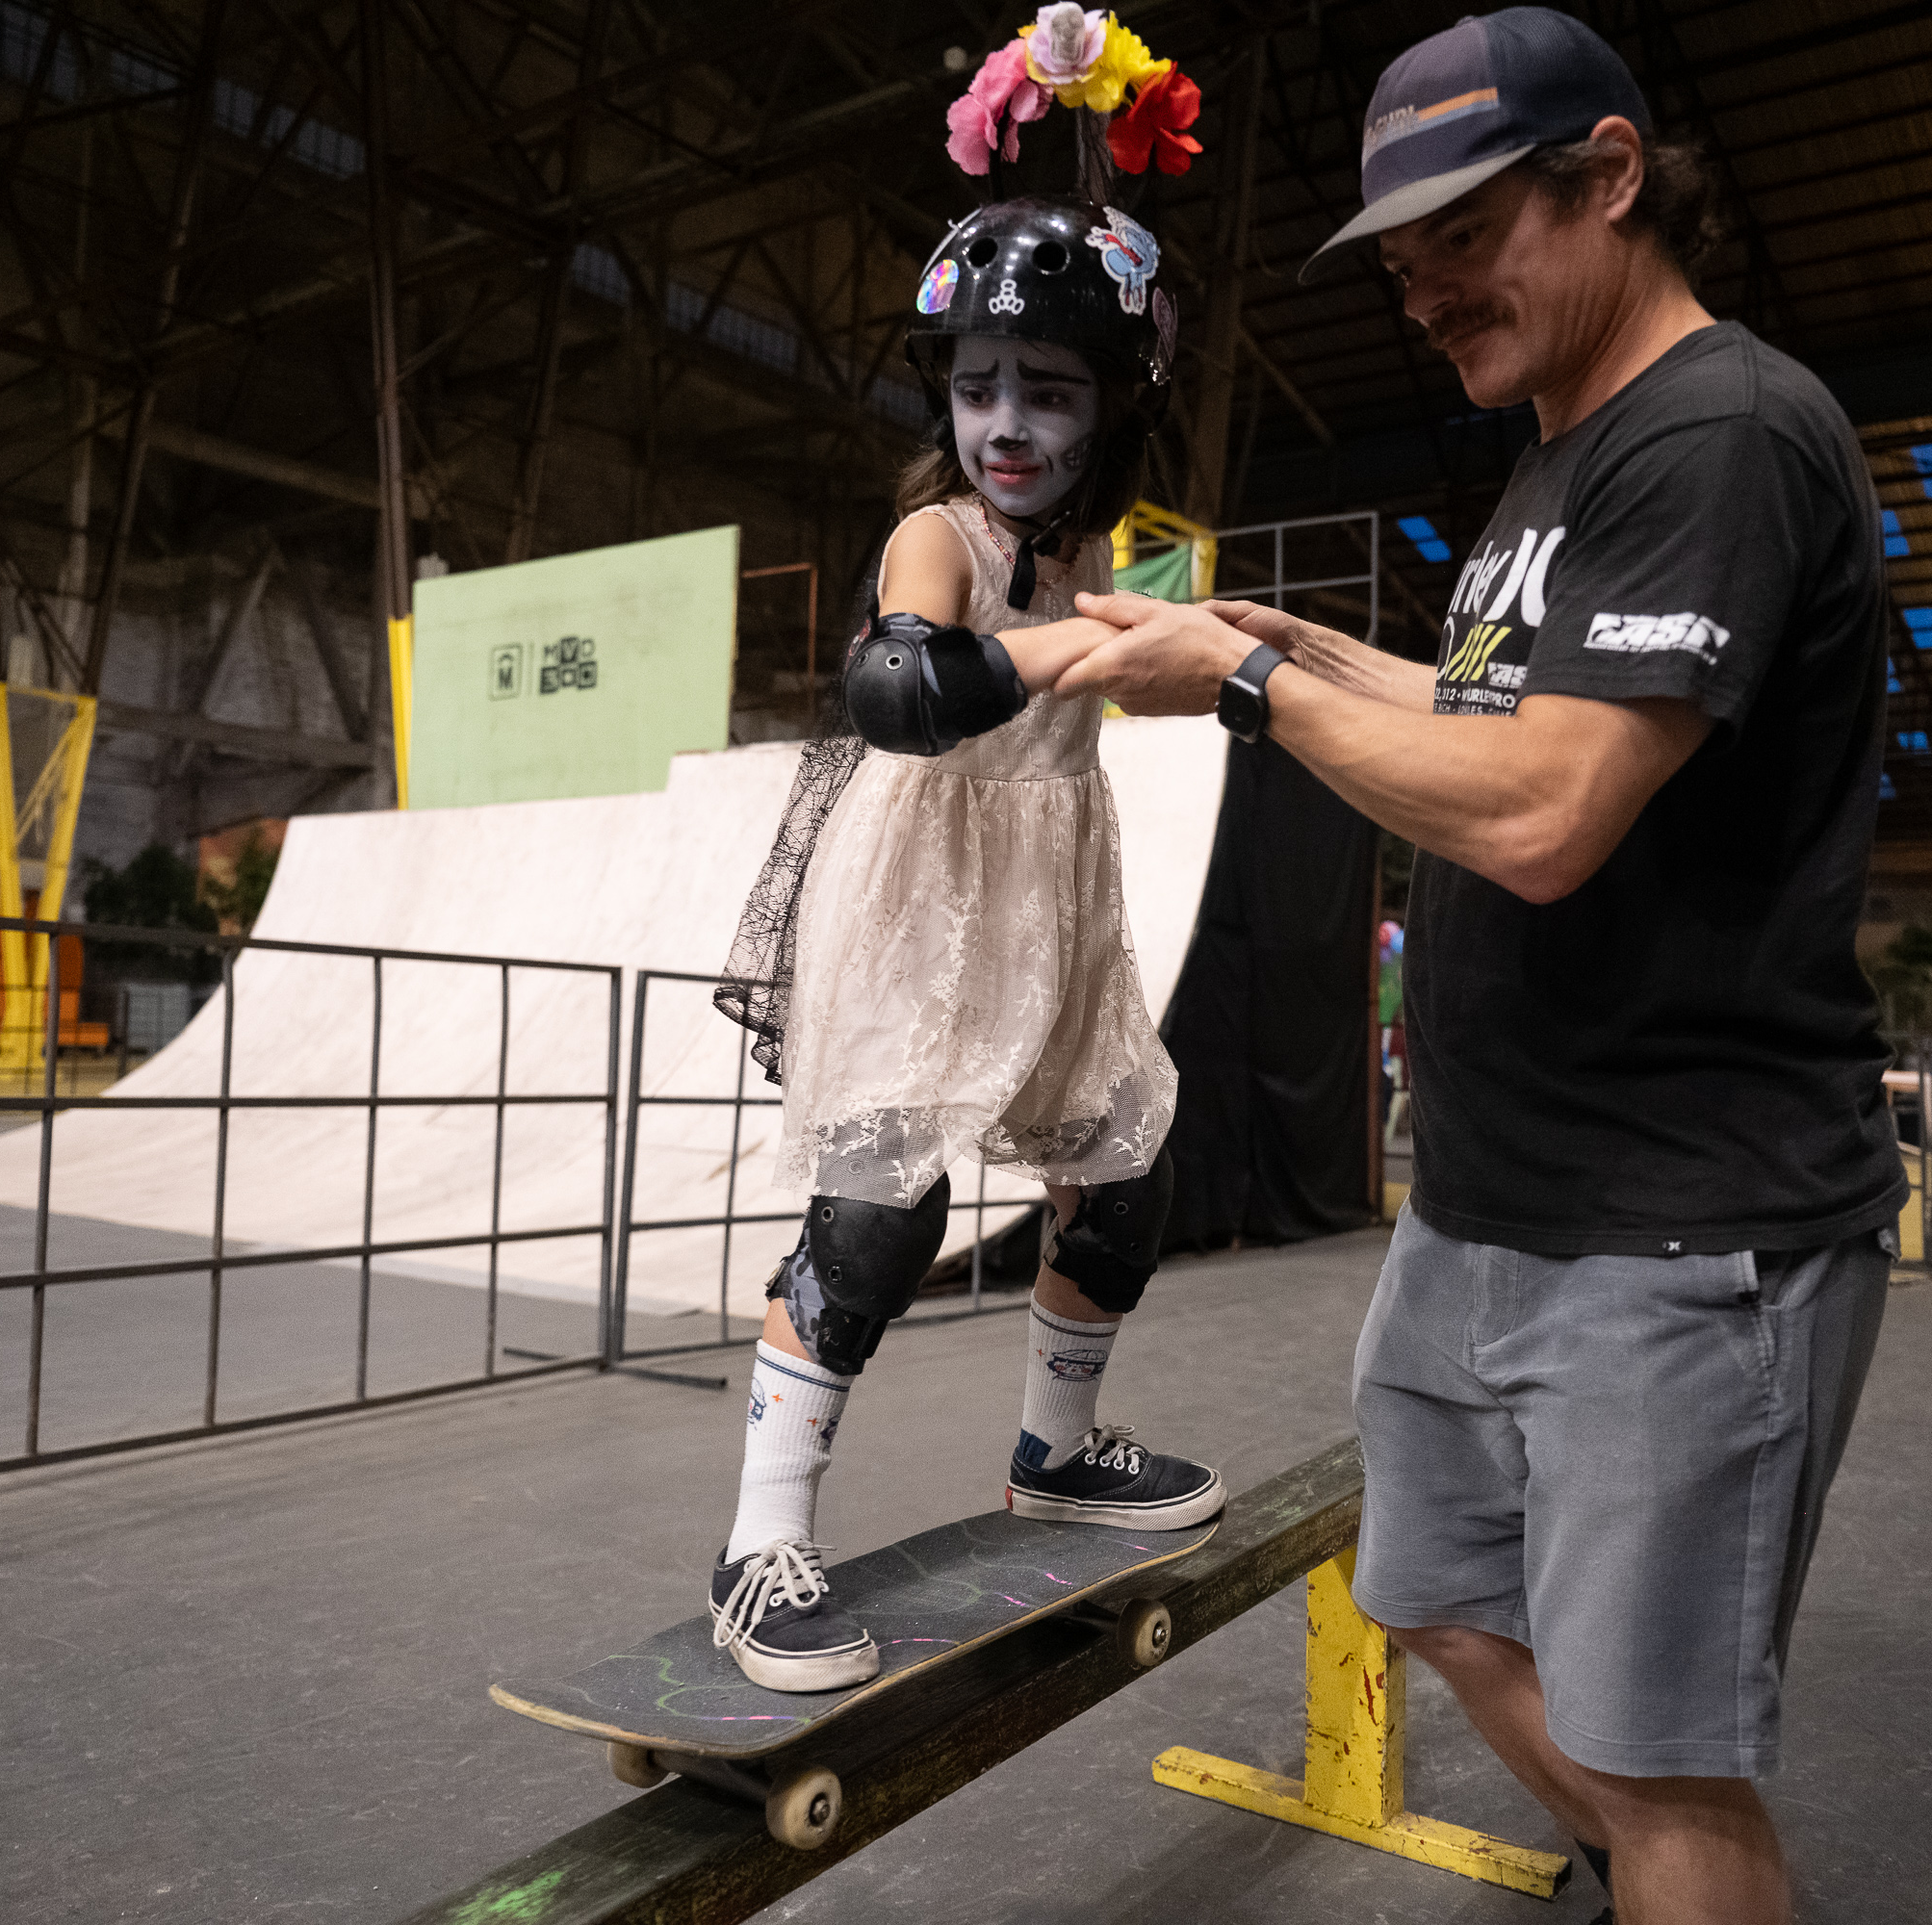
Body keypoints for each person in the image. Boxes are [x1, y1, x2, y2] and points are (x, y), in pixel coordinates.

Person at [1055, 11, 1908, 1921]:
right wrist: (1276, 638)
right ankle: (1633, 1867)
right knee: (1431, 1590)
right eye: (1400, 251)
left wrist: (1252, 684)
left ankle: (1671, 1870)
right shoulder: (1559, 460)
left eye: (1467, 226)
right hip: (1499, 1203)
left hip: (1685, 1220)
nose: (1427, 284)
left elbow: (1538, 809)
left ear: (1608, 178)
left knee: (1668, 1762)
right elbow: (1489, 701)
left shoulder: (1718, 433)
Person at [701, 17, 1226, 1694]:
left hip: (1052, 901)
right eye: (982, 385)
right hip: (919, 892)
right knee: (880, 1213)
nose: (1008, 421)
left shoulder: (1092, 557)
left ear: (1114, 406)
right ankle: (758, 1544)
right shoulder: (942, 535)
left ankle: (1053, 1458)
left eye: (1051, 392)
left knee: (1126, 1177)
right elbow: (904, 687)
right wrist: (1083, 653)